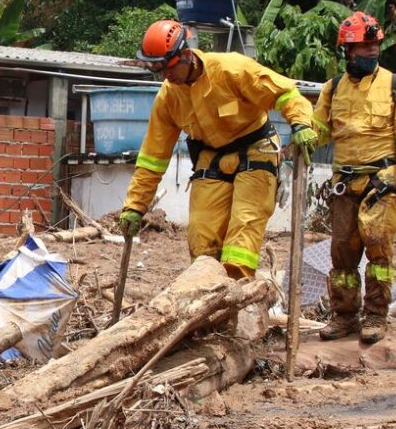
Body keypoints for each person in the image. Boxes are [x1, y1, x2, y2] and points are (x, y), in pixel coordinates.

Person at [118, 20, 318, 279]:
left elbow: (286, 94)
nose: (166, 77)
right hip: (211, 157)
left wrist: (301, 123)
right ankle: (207, 304)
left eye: (168, 68)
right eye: (158, 71)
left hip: (257, 151)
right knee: (202, 245)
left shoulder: (232, 69)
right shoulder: (168, 98)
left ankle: (237, 300)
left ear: (187, 55)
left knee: (240, 242)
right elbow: (153, 158)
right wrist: (135, 206)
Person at [311, 11, 396, 344]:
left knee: (377, 246)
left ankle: (376, 316)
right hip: (345, 184)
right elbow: (319, 130)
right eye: (364, 47)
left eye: (375, 45)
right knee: (342, 253)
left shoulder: (394, 85)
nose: (372, 52)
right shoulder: (333, 90)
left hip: (382, 180)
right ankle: (344, 317)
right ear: (347, 51)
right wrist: (300, 140)